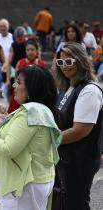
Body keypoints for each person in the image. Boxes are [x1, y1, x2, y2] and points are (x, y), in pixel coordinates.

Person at [0, 65, 62, 210]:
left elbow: (8, 149)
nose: (14, 85)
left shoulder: (29, 112)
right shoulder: (41, 108)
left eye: (19, 82)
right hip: (39, 179)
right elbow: (27, 135)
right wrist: (6, 122)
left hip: (26, 183)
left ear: (31, 89)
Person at [55, 42, 103, 210]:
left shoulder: (89, 90)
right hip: (65, 157)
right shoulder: (67, 87)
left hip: (81, 160)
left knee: (77, 205)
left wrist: (49, 140)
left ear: (80, 61)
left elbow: (80, 131)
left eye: (69, 62)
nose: (64, 66)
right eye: (61, 63)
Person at [8, 39, 46, 113]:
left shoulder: (41, 63)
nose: (30, 52)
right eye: (28, 50)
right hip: (20, 91)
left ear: (37, 51)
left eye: (32, 49)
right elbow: (16, 78)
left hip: (35, 94)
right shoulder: (20, 62)